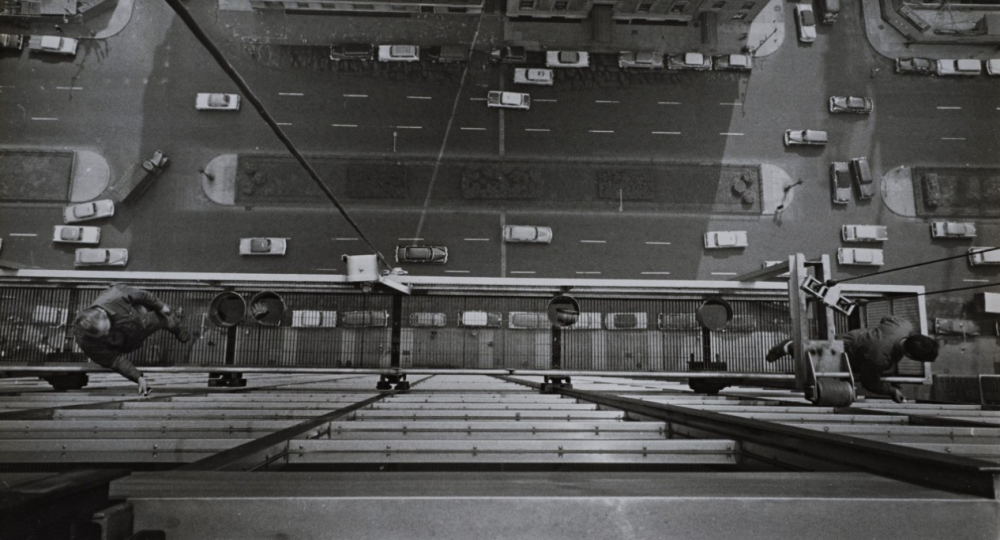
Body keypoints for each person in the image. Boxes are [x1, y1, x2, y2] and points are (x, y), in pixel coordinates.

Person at [765, 315, 938, 403]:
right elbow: (870, 382)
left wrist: (876, 336)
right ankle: (789, 346)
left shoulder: (903, 326)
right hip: (847, 351)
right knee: (815, 359)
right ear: (909, 355)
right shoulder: (880, 358)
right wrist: (891, 391)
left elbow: (885, 319)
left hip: (857, 337)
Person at [73, 284, 190, 395]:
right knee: (161, 319)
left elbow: (143, 295)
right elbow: (114, 360)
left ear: (103, 312)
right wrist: (138, 377)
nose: (107, 333)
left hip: (136, 320)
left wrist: (160, 305)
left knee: (166, 319)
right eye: (103, 335)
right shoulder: (86, 341)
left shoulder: (115, 295)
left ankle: (176, 328)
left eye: (107, 329)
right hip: (126, 342)